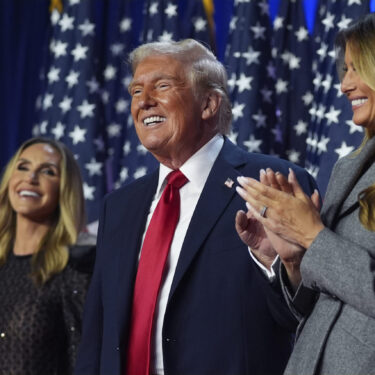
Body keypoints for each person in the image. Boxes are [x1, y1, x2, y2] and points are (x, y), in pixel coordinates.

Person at [74, 38, 317, 375]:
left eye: (162, 86)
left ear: (208, 104)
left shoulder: (271, 184)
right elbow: (97, 335)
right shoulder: (119, 206)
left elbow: (308, 317)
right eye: (135, 91)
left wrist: (281, 263)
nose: (144, 102)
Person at [235, 13, 375, 375]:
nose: (345, 85)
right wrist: (293, 259)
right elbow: (319, 307)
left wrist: (314, 235)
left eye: (356, 68)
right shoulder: (350, 167)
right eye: (344, 70)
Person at [0, 137, 95, 375]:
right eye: (23, 167)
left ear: (65, 189)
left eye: (47, 172)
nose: (30, 178)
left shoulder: (75, 269)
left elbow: (84, 361)